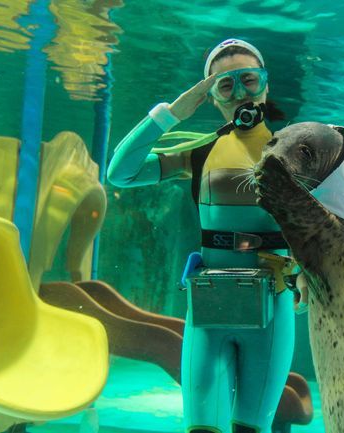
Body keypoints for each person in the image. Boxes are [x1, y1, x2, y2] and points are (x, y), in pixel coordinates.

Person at [107, 38, 300, 433]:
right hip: (210, 306)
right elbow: (120, 174)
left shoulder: (299, 153)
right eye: (225, 85)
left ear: (265, 84)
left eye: (248, 80)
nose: (240, 93)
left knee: (252, 427)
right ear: (210, 97)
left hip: (274, 302)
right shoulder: (199, 153)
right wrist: (170, 114)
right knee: (201, 427)